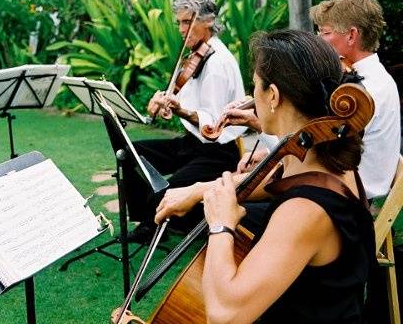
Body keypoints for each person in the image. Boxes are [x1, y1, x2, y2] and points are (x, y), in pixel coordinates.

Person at [159, 29, 375, 322]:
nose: (252, 96)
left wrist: (221, 226)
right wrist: (198, 189)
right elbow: (277, 178)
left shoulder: (305, 211)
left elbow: (224, 315)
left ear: (273, 95)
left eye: (255, 86)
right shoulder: (317, 152)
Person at [221, 0, 400, 200]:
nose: (318, 40)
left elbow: (311, 156)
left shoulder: (360, 92)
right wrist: (267, 154)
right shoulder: (374, 78)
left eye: (325, 33)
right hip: (340, 184)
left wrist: (259, 124)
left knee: (237, 209)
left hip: (345, 194)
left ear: (351, 35)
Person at [125, 0, 245, 243]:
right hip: (191, 144)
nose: (181, 29)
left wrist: (180, 110)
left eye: (187, 21)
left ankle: (165, 222)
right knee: (132, 153)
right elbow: (185, 103)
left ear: (209, 21)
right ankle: (147, 222)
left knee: (162, 195)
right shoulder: (198, 55)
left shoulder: (217, 64)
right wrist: (165, 103)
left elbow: (212, 127)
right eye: (178, 22)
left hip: (217, 153)